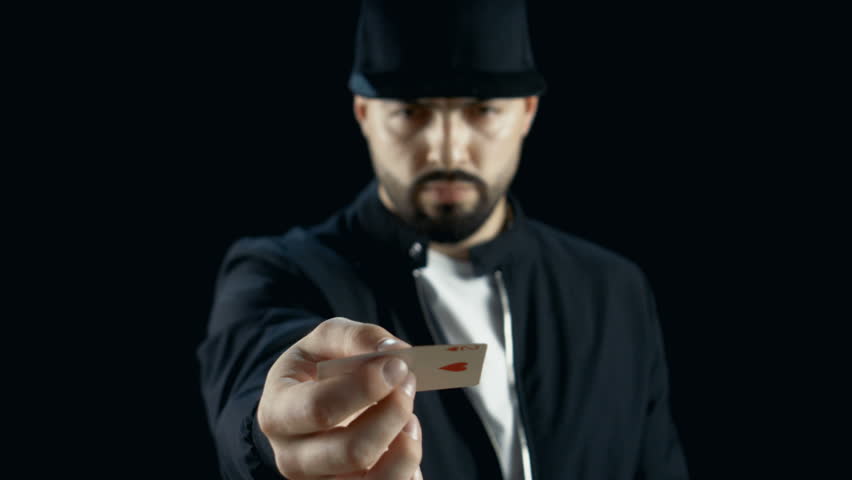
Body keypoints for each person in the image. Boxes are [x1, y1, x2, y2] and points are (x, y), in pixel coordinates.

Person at [197, 1, 690, 479]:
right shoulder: (278, 274)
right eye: (412, 111)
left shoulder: (614, 292)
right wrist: (277, 434)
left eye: (482, 110)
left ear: (527, 112)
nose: (447, 147)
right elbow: (256, 383)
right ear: (365, 113)